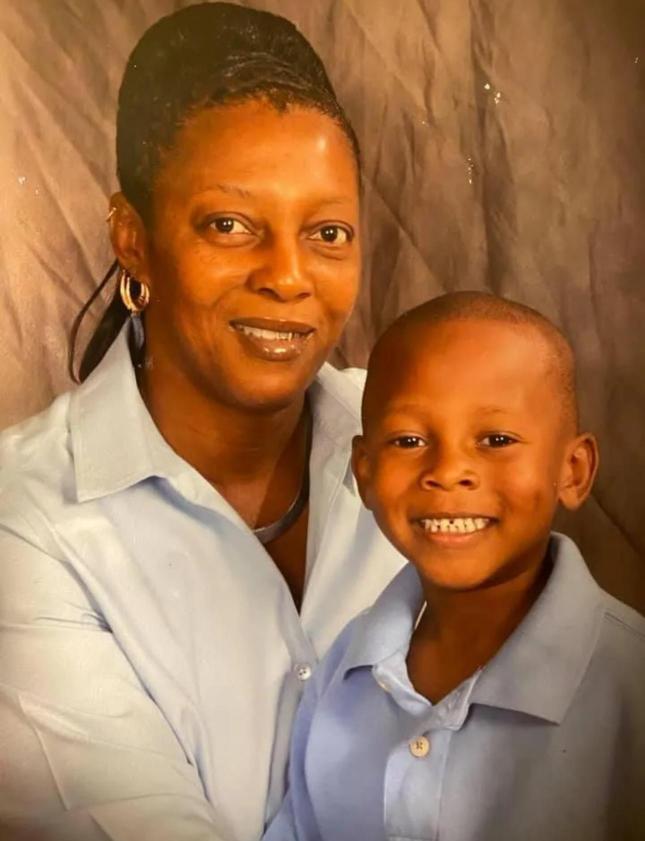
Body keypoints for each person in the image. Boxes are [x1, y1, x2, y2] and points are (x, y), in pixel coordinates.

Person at [0, 4, 405, 840]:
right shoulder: (25, 521)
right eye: (229, 225)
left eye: (327, 232)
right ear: (133, 239)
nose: (288, 275)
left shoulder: (432, 442)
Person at [263, 291, 645, 841]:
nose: (448, 471)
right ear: (365, 474)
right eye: (409, 440)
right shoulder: (345, 674)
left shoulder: (630, 690)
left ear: (573, 470)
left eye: (496, 440)